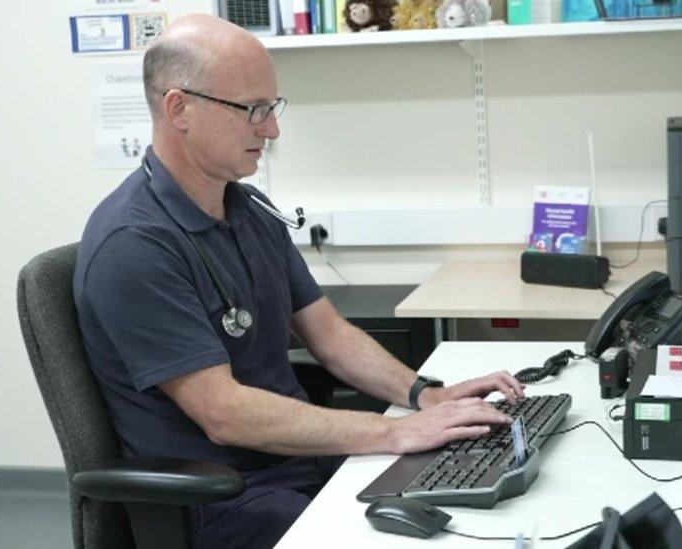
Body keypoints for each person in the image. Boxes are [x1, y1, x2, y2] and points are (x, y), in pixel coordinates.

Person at [73, 13, 525, 549]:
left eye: (272, 108)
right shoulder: (133, 244)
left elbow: (330, 335)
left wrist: (424, 395)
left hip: (299, 464)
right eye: (253, 110)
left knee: (482, 504)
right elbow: (224, 414)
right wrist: (393, 430)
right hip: (226, 500)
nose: (272, 129)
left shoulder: (246, 207)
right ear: (179, 109)